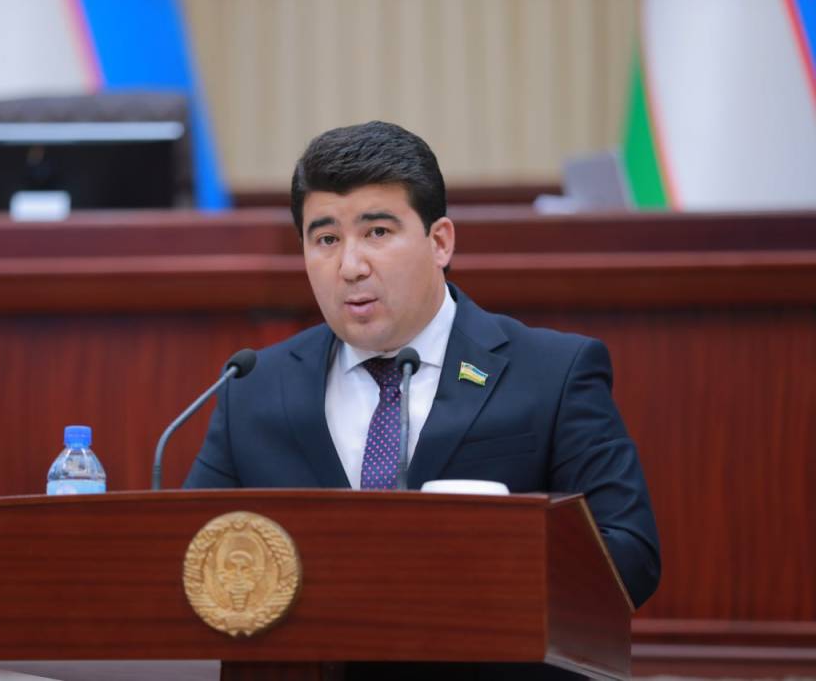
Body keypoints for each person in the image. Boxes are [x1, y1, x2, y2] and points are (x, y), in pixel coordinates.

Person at [184, 121, 660, 677]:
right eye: (326, 240)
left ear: (440, 243)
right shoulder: (253, 385)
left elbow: (629, 555)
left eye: (377, 232)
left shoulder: (552, 372)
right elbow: (189, 552)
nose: (351, 266)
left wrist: (481, 580)